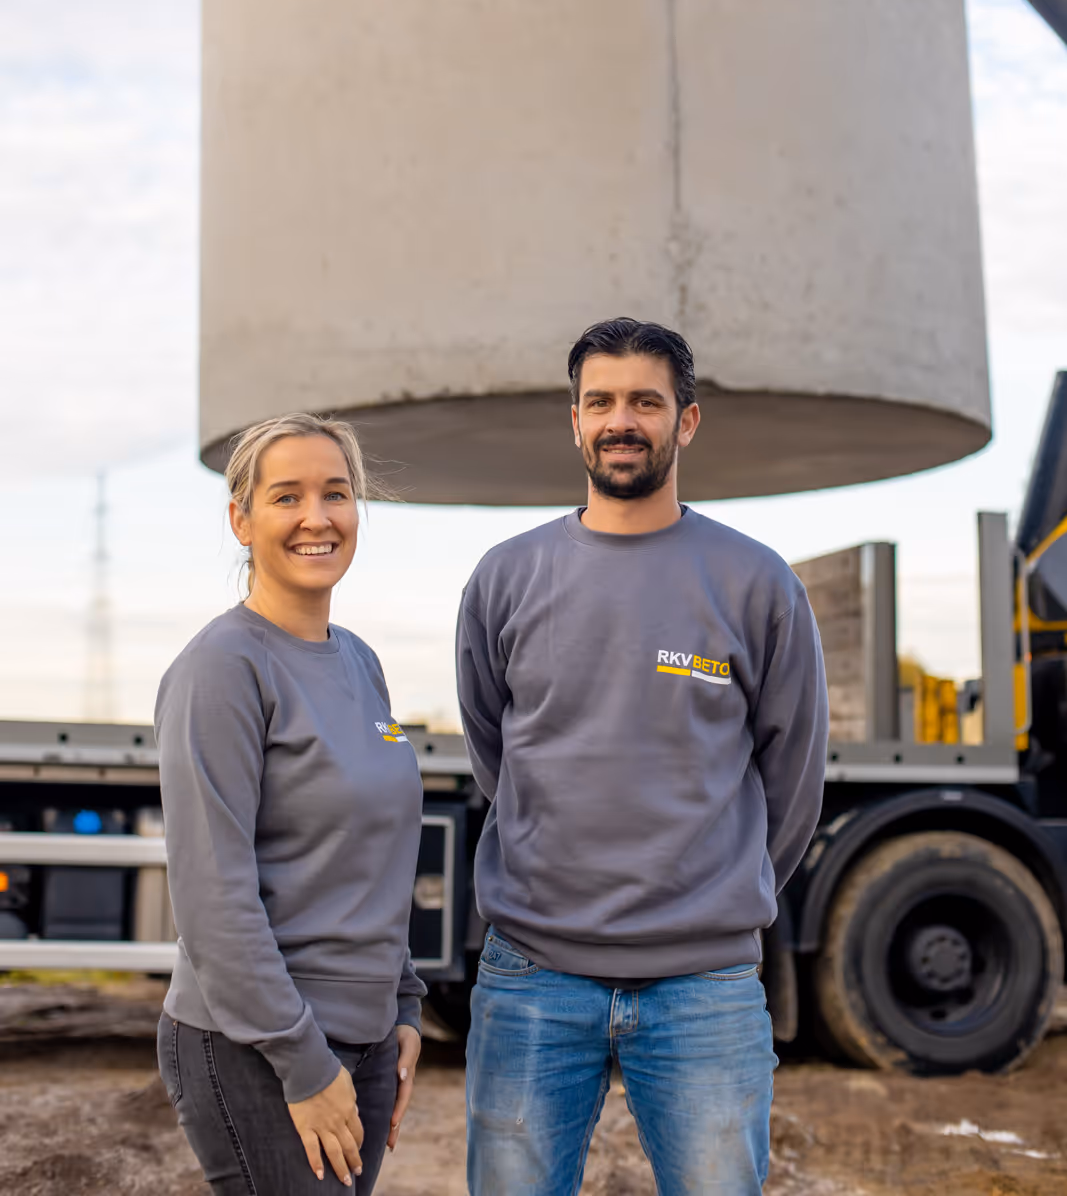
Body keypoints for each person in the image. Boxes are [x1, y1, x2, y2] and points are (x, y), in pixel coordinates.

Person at [457, 317, 829, 1196]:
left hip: (703, 985)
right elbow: (493, 751)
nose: (621, 420)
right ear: (574, 420)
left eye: (644, 402)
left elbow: (794, 776)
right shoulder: (507, 577)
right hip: (533, 978)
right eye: (600, 401)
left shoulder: (754, 581)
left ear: (685, 421)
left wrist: (712, 900)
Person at [156, 414, 425, 1194]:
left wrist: (402, 1002)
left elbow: (373, 857)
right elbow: (213, 898)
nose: (318, 517)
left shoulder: (360, 661)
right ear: (240, 518)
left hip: (366, 1041)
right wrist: (303, 1062)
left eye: (336, 494)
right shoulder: (222, 668)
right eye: (287, 497)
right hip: (260, 1050)